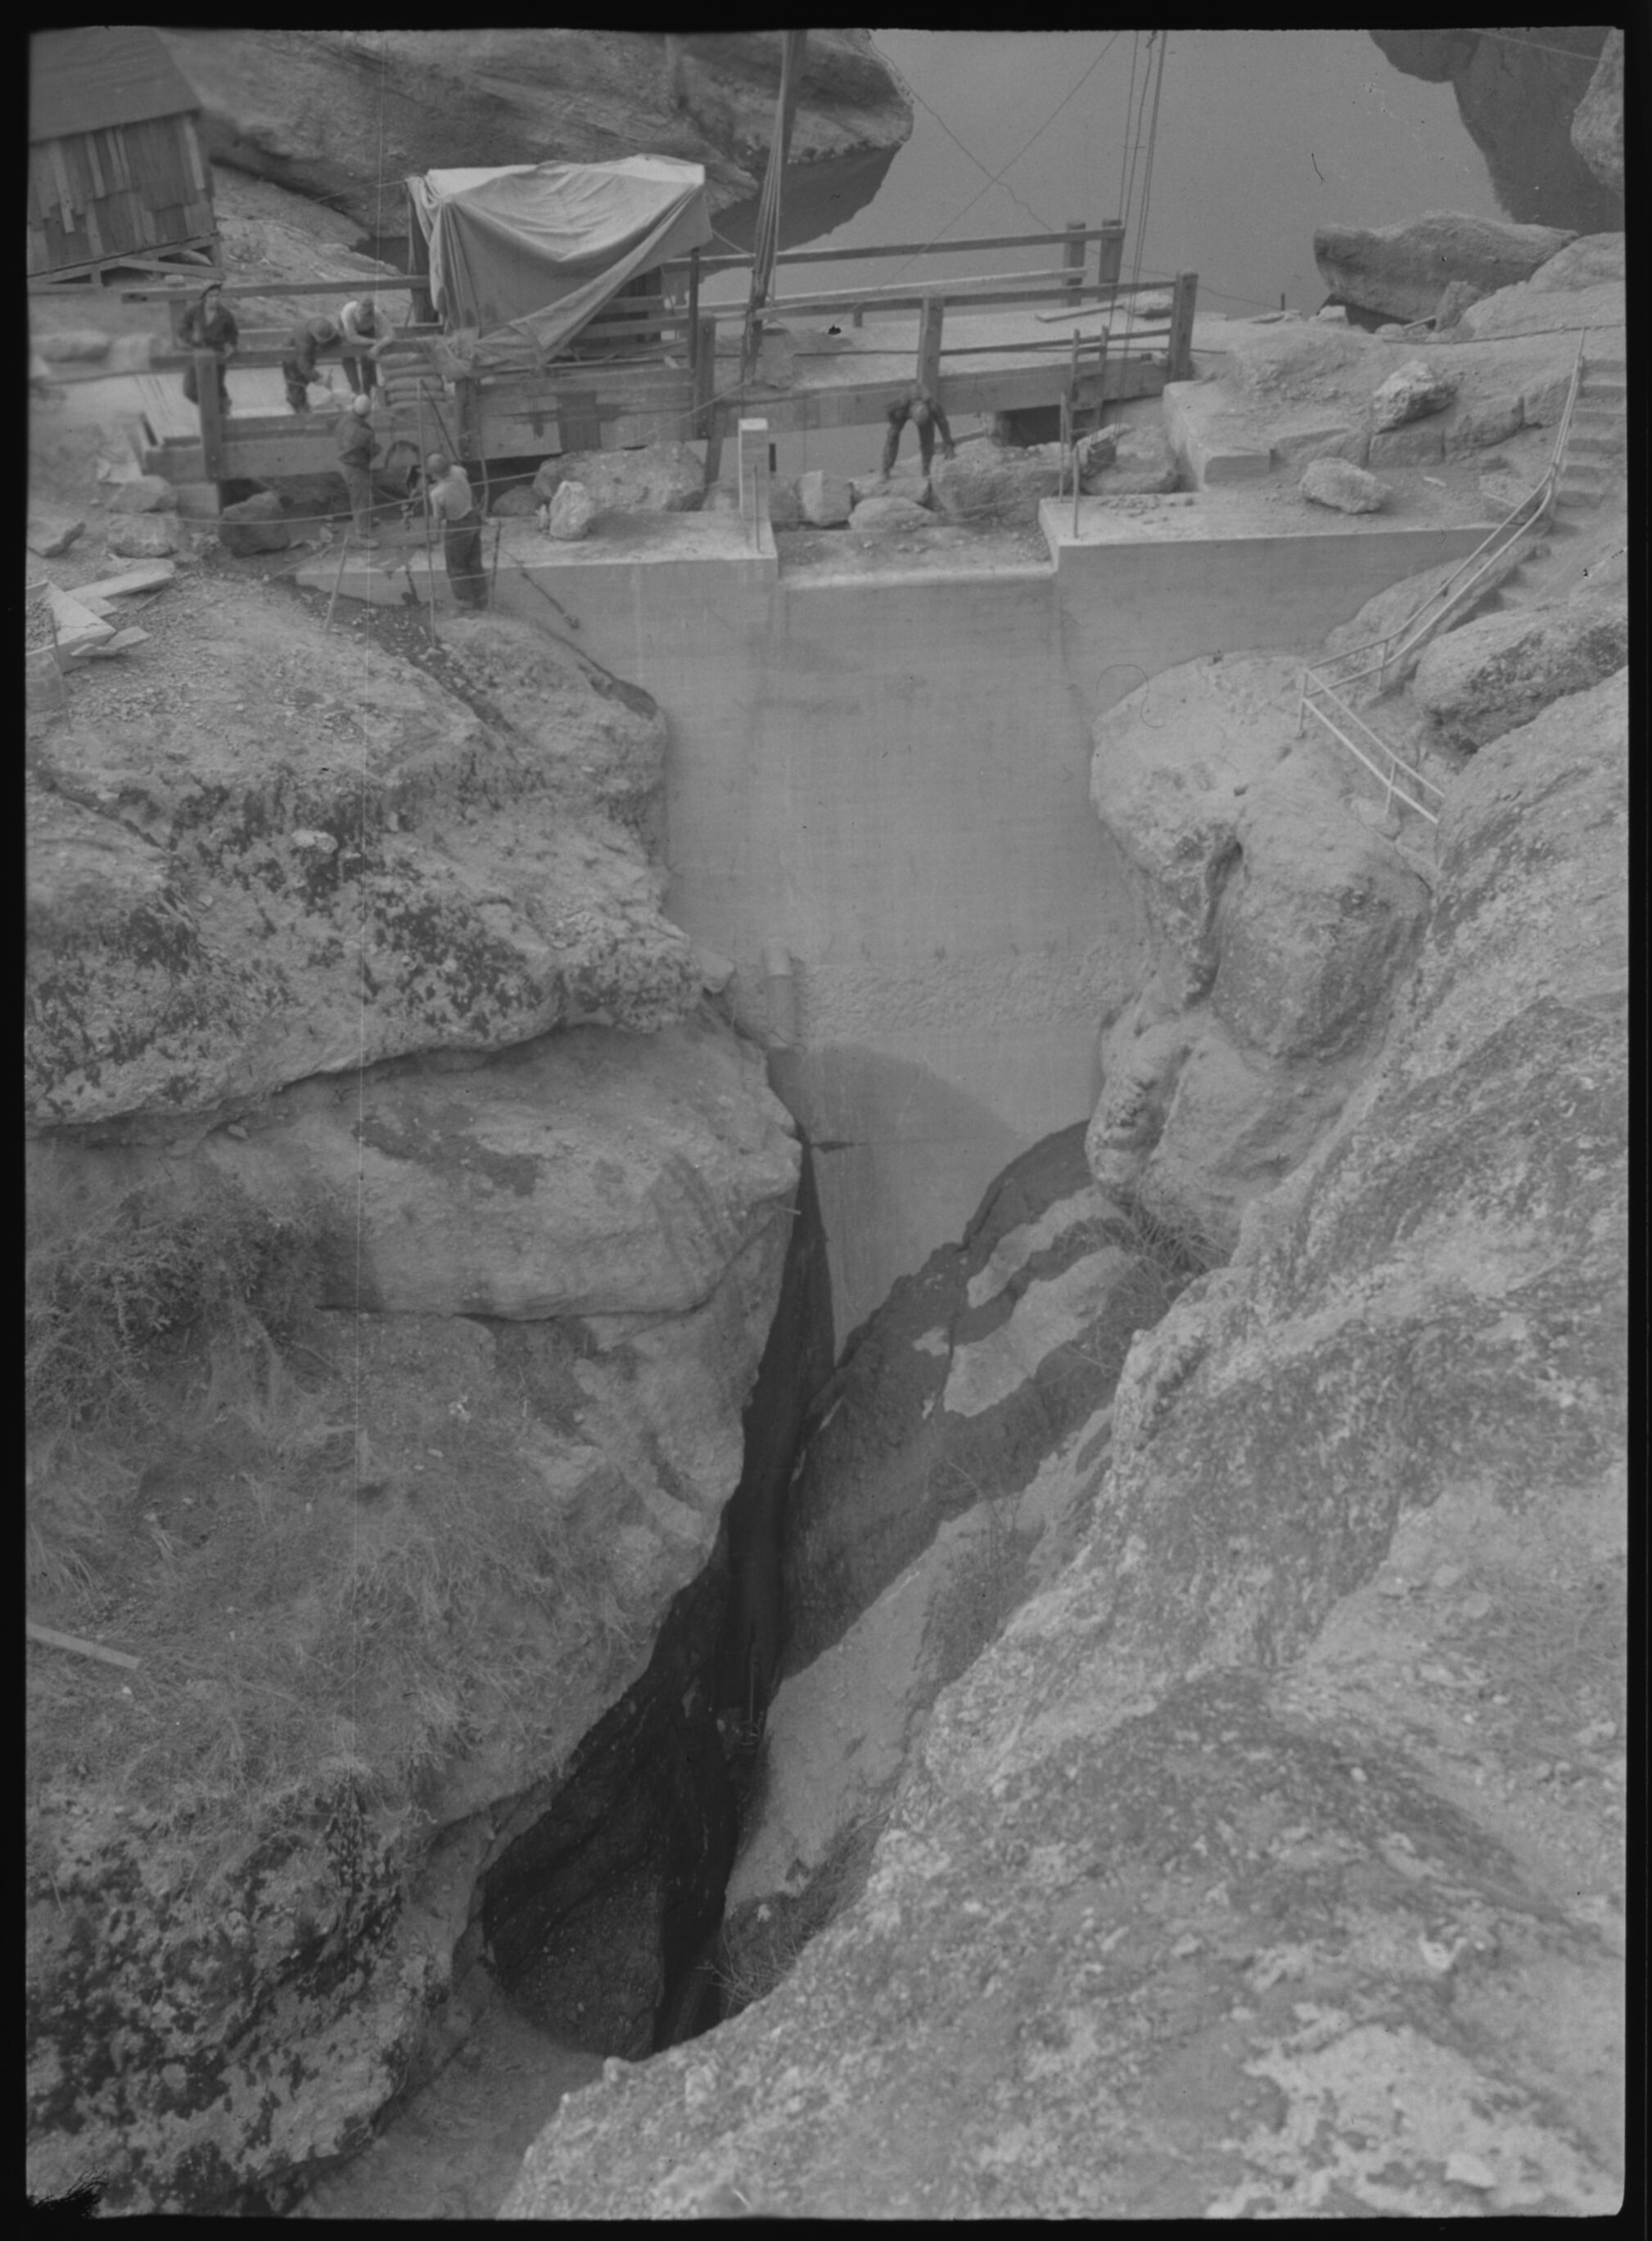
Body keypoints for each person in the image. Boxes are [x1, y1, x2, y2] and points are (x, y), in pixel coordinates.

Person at [422, 451, 488, 610]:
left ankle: (465, 604)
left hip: (457, 527)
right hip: (473, 519)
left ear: (432, 473)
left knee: (456, 567)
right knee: (473, 561)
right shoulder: (460, 471)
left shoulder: (437, 494)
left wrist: (431, 492)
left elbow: (440, 517)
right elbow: (456, 482)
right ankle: (482, 598)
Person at [180, 282, 239, 416]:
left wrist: (231, 345)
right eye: (211, 296)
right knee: (189, 389)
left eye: (217, 296)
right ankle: (215, 406)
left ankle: (220, 410)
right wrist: (192, 337)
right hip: (197, 353)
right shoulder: (193, 312)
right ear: (205, 297)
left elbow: (233, 334)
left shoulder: (226, 315)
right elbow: (182, 329)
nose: (214, 299)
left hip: (217, 355)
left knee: (215, 386)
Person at [881, 383, 956, 482]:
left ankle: (926, 469)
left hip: (924, 413)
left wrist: (949, 445)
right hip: (905, 409)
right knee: (893, 435)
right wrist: (893, 421)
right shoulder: (902, 403)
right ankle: (886, 468)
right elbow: (888, 409)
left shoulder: (933, 405)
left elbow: (943, 423)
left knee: (927, 440)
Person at [336, 393, 381, 546]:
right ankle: (361, 536)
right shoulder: (365, 432)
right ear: (368, 413)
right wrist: (378, 449)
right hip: (355, 467)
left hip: (344, 463)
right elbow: (372, 451)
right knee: (360, 499)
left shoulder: (344, 420)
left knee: (364, 493)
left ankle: (369, 520)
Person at [280, 315, 341, 414]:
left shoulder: (325, 327)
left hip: (305, 354)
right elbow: (304, 366)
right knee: (296, 383)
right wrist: (318, 378)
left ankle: (299, 401)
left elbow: (336, 340)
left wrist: (323, 347)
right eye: (323, 340)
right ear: (317, 337)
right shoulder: (304, 344)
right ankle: (297, 407)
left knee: (304, 380)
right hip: (291, 358)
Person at [339, 293, 395, 396]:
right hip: (349, 330)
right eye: (360, 316)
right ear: (357, 311)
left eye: (365, 318)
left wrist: (377, 347)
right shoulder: (348, 312)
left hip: (367, 330)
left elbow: (391, 334)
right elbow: (351, 337)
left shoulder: (377, 314)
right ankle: (356, 390)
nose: (361, 320)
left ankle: (369, 391)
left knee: (368, 359)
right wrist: (373, 341)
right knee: (347, 356)